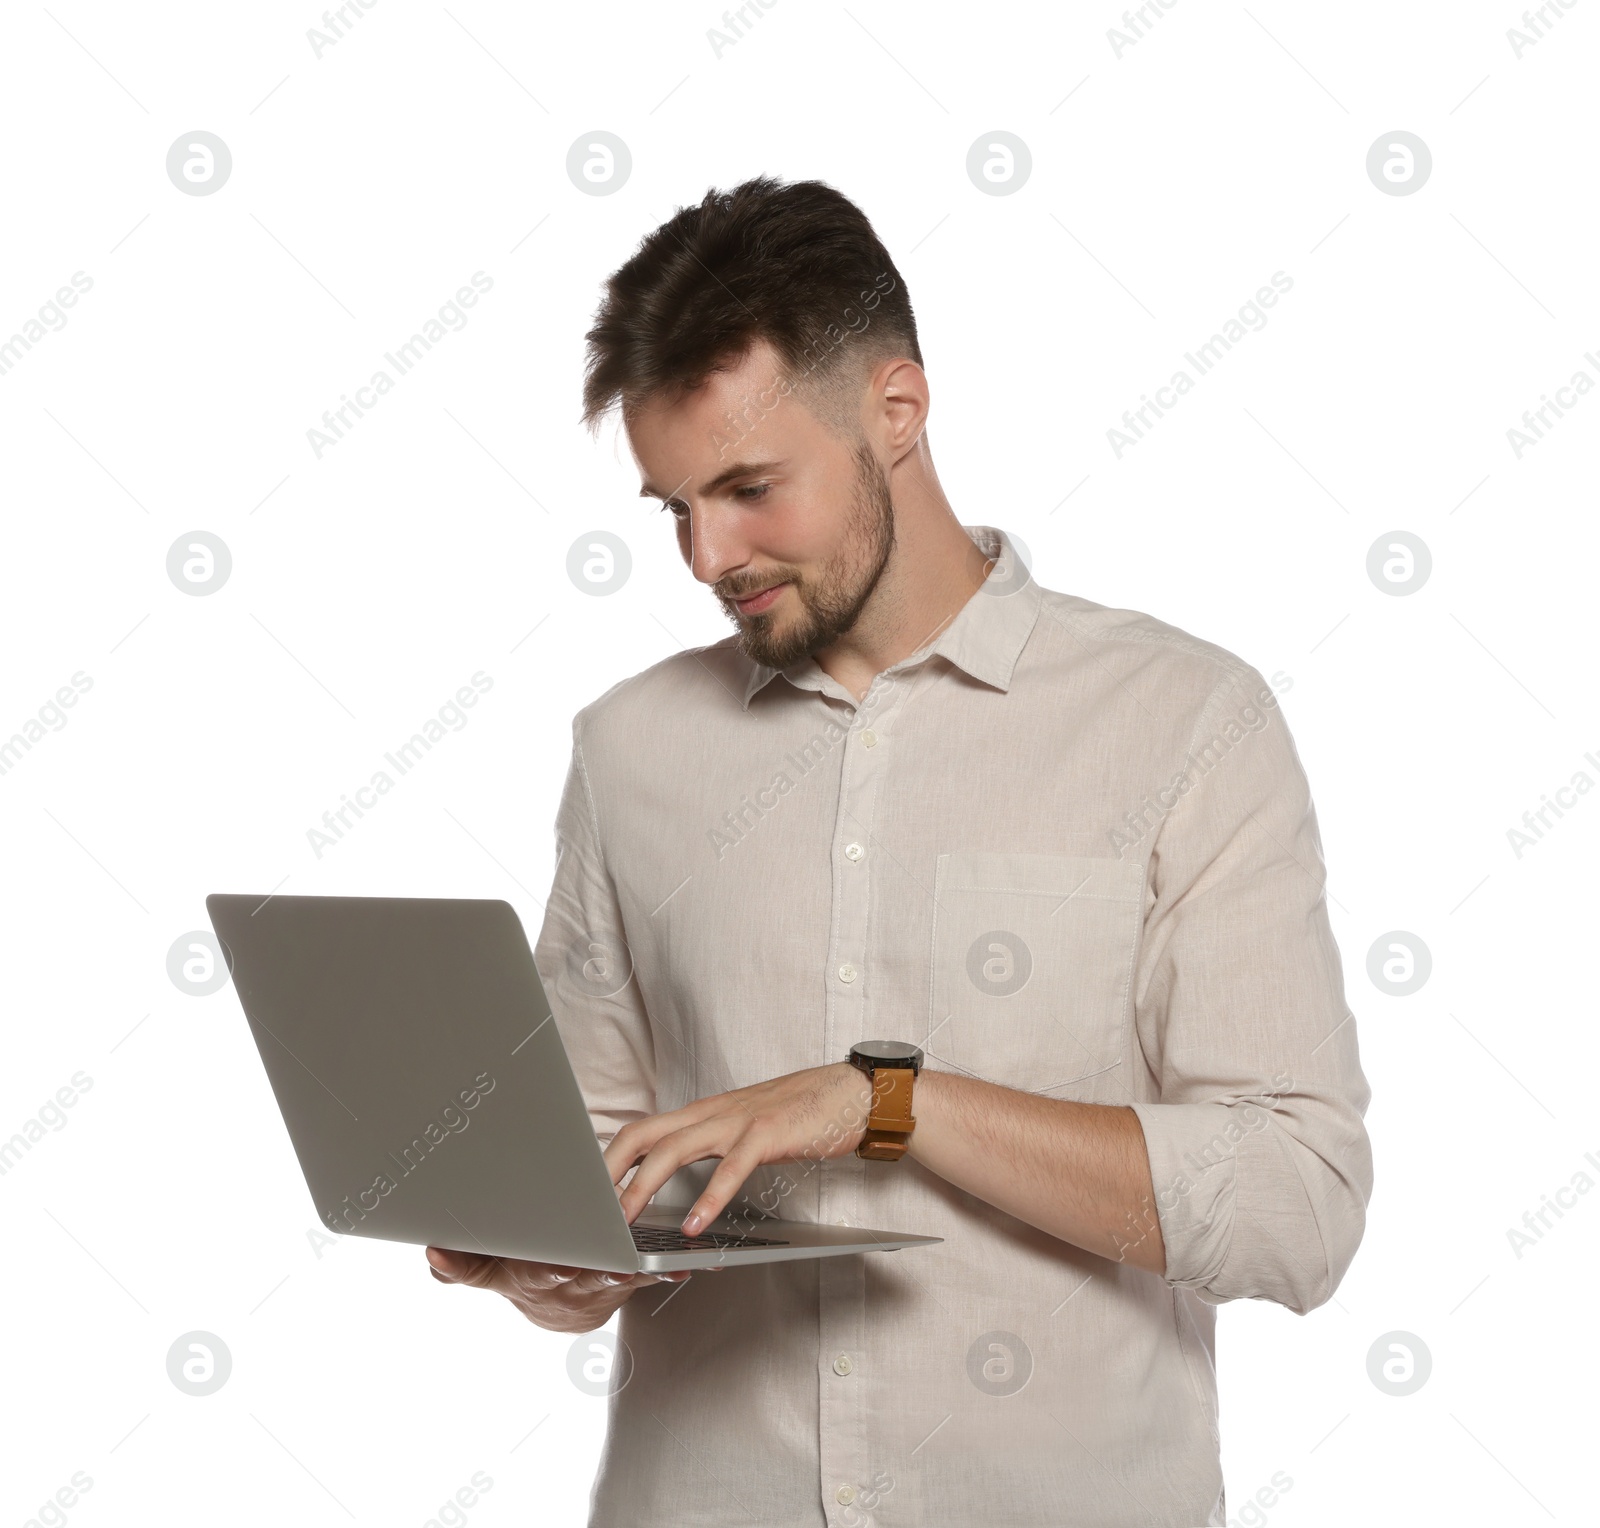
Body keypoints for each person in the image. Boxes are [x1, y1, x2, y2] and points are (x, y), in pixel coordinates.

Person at [425, 174, 1373, 1528]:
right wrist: (546, 1263)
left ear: (898, 411)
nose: (710, 554)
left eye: (750, 489)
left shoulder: (1183, 725)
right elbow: (601, 1179)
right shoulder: (629, 750)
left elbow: (1298, 1207)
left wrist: (889, 1104)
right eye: (674, 507)